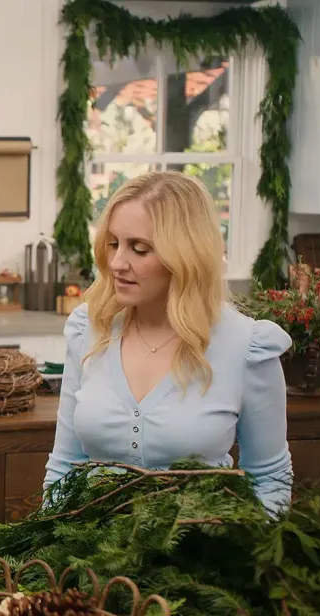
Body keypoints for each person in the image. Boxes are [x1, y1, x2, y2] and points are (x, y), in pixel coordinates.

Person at [44, 171, 294, 513]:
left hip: (204, 542)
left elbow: (269, 480)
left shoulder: (247, 346)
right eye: (114, 243)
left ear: (186, 255)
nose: (117, 263)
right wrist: (49, 536)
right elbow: (64, 465)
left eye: (139, 249)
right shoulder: (89, 329)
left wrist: (245, 543)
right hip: (88, 545)